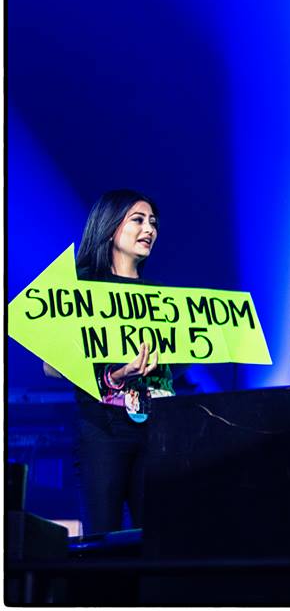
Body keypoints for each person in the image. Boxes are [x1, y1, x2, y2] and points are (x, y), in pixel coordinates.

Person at [43, 189, 177, 535]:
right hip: (103, 430)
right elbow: (51, 366)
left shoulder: (163, 297)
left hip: (157, 429)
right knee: (104, 536)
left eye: (153, 223)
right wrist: (117, 373)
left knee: (159, 537)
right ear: (110, 226)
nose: (149, 229)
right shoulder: (81, 289)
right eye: (138, 220)